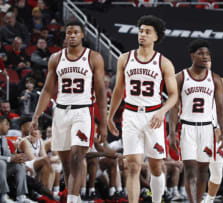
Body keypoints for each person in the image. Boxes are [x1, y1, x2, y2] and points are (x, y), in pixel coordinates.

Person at [30, 19, 108, 203]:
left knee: (76, 156)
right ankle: (75, 196)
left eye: (75, 32)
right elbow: (48, 90)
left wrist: (103, 122)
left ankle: (72, 199)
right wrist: (36, 116)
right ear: (65, 36)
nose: (72, 35)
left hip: (82, 112)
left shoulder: (94, 57)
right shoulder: (56, 58)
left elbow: (100, 92)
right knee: (66, 161)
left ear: (82, 35)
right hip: (61, 112)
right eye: (68, 32)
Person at [107, 15, 178, 203]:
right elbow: (118, 90)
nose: (142, 34)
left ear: (156, 37)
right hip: (130, 114)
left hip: (153, 116)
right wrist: (110, 115)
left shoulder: (164, 62)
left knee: (156, 166)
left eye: (147, 32)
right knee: (133, 165)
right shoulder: (124, 58)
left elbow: (173, 95)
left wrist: (163, 111)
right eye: (140, 30)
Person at [169, 39, 223, 203]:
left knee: (203, 172)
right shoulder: (180, 77)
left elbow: (220, 106)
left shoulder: (215, 79)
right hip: (187, 127)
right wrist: (172, 132)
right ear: (192, 55)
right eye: (201, 53)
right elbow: (173, 107)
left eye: (207, 54)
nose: (205, 56)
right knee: (190, 170)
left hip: (207, 129)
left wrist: (222, 127)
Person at [204, 60, 223, 203]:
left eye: (208, 60)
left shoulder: (220, 81)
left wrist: (219, 127)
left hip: (215, 129)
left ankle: (209, 199)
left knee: (217, 171)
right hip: (195, 127)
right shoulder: (187, 80)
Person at [0, 115, 32, 203]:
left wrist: (16, 157)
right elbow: (8, 158)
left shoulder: (3, 138)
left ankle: (21, 197)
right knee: (1, 163)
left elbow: (8, 155)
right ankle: (3, 196)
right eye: (6, 124)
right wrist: (10, 159)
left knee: (19, 164)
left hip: (3, 170)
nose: (9, 127)